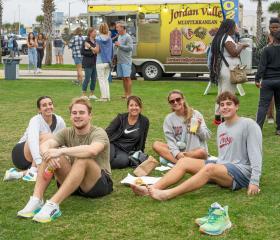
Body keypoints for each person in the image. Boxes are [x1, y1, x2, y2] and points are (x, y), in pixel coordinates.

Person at [131, 91, 263, 201]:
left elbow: (256, 154)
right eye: (222, 105)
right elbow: (224, 155)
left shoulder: (248, 124)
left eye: (229, 104)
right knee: (183, 162)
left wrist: (254, 182)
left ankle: (167, 194)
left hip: (241, 171)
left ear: (237, 106)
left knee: (209, 167)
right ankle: (151, 189)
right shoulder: (222, 127)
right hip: (223, 166)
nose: (225, 107)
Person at [17, 97, 113, 223]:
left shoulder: (98, 132)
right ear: (70, 116)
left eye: (81, 113)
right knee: (50, 153)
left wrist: (61, 150)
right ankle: (37, 199)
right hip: (73, 183)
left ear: (90, 116)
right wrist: (48, 154)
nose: (77, 116)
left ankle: (53, 204)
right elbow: (45, 145)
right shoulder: (67, 132)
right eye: (74, 113)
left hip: (97, 184)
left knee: (82, 159)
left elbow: (92, 150)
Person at [4, 96, 66, 182]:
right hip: (21, 154)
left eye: (50, 104)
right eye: (44, 105)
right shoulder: (35, 120)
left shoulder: (60, 120)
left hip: (40, 154)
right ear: (39, 110)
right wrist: (38, 162)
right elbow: (32, 141)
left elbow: (63, 141)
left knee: (56, 146)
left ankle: (17, 174)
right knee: (48, 137)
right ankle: (33, 169)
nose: (48, 107)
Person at [153, 90, 210, 164]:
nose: (175, 102)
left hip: (195, 151)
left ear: (183, 99)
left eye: (178, 99)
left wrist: (198, 129)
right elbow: (170, 140)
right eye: (172, 101)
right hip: (180, 151)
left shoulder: (195, 114)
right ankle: (182, 162)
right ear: (170, 104)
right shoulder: (169, 119)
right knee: (156, 144)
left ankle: (177, 162)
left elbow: (207, 137)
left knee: (202, 152)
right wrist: (177, 153)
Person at [209, 19, 249, 125]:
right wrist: (242, 46)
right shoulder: (227, 38)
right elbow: (234, 53)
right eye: (234, 26)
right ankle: (224, 119)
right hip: (228, 70)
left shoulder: (220, 37)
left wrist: (237, 44)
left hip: (224, 69)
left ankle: (218, 118)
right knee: (228, 95)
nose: (235, 28)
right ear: (229, 27)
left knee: (221, 94)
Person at [106, 96, 149, 168]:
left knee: (123, 162)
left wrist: (140, 155)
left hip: (126, 151)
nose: (134, 108)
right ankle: (101, 163)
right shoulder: (121, 118)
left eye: (137, 105)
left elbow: (143, 139)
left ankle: (102, 163)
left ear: (140, 107)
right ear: (128, 107)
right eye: (131, 105)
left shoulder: (144, 121)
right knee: (109, 157)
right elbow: (108, 132)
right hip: (113, 145)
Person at [255, 30, 280, 135]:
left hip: (267, 81)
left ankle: (257, 129)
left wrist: (257, 79)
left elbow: (262, 66)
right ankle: (279, 129)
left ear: (273, 38)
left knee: (263, 106)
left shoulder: (267, 50)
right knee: (279, 106)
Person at [115, 21, 133, 98]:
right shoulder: (119, 36)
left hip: (126, 61)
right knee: (123, 78)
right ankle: (125, 94)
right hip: (120, 61)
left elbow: (130, 48)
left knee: (127, 78)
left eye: (118, 27)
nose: (116, 29)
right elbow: (119, 47)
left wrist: (120, 45)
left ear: (122, 27)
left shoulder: (128, 36)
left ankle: (129, 95)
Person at [95, 23, 113, 102]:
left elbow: (97, 50)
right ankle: (107, 96)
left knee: (101, 79)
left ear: (100, 29)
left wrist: (90, 47)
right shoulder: (109, 39)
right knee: (106, 79)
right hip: (108, 61)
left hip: (100, 61)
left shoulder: (98, 38)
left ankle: (104, 97)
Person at [81, 27, 98, 100]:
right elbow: (83, 52)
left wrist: (94, 52)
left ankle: (92, 94)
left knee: (94, 79)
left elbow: (97, 51)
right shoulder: (86, 41)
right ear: (90, 33)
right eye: (94, 32)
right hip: (88, 63)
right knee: (87, 78)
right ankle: (84, 94)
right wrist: (93, 52)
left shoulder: (96, 41)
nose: (96, 33)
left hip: (95, 62)